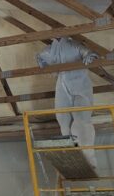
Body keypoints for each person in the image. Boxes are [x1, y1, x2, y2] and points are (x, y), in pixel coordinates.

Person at [37, 37, 99, 169]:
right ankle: (73, 154)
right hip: (63, 86)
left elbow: (88, 52)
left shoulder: (73, 45)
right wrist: (41, 61)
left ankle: (88, 156)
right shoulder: (51, 50)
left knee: (81, 118)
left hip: (79, 85)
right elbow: (41, 56)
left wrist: (89, 55)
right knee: (63, 120)